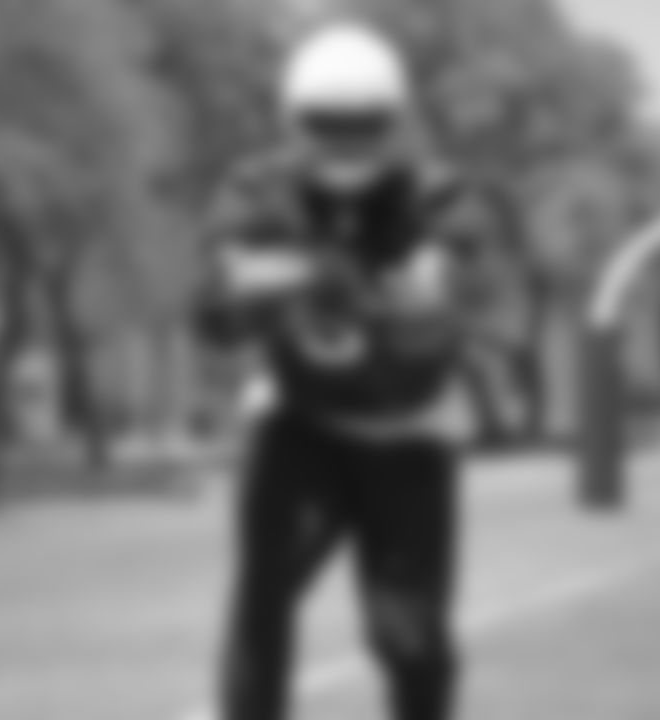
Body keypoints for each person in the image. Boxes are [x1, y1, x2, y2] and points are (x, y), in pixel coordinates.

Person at [196, 22, 488, 720]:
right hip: (302, 421)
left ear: (398, 120)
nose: (347, 143)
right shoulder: (256, 189)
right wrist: (292, 277)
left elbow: (460, 280)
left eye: (364, 125)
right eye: (329, 124)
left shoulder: (438, 194)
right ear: (291, 119)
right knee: (263, 598)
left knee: (407, 634)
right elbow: (210, 307)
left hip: (408, 429)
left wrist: (422, 290)